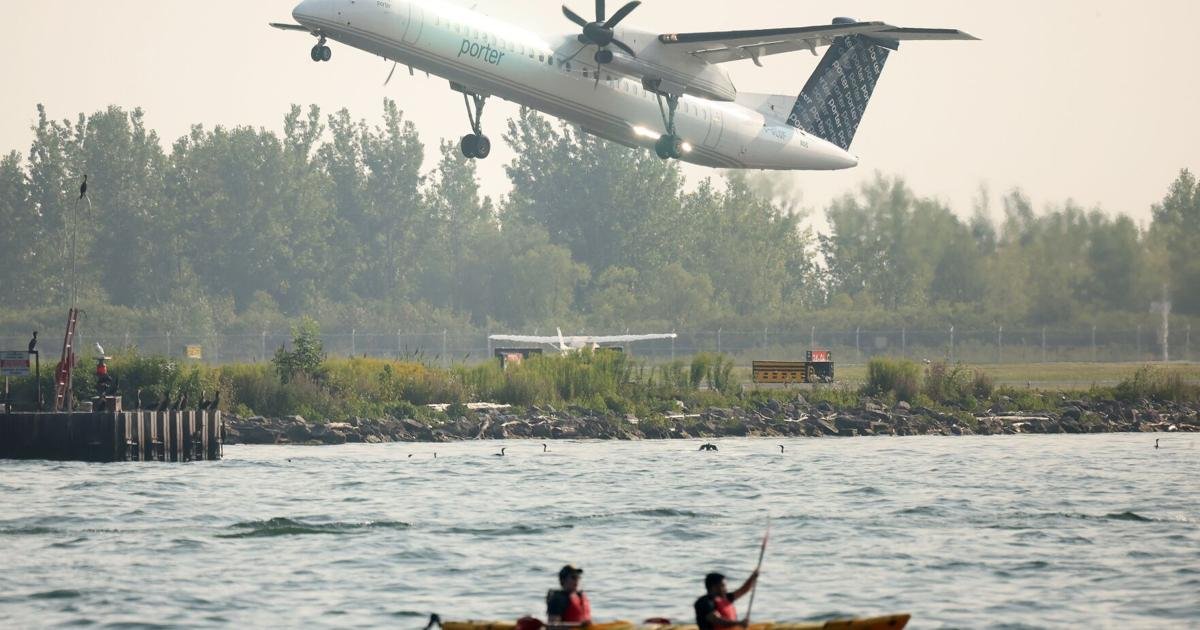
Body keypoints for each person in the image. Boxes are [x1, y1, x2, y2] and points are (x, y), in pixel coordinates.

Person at [694, 570, 759, 630]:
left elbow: (743, 590)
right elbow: (716, 620)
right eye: (723, 586)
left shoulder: (725, 598)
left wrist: (753, 577)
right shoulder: (704, 602)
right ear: (714, 587)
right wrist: (739, 623)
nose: (726, 589)